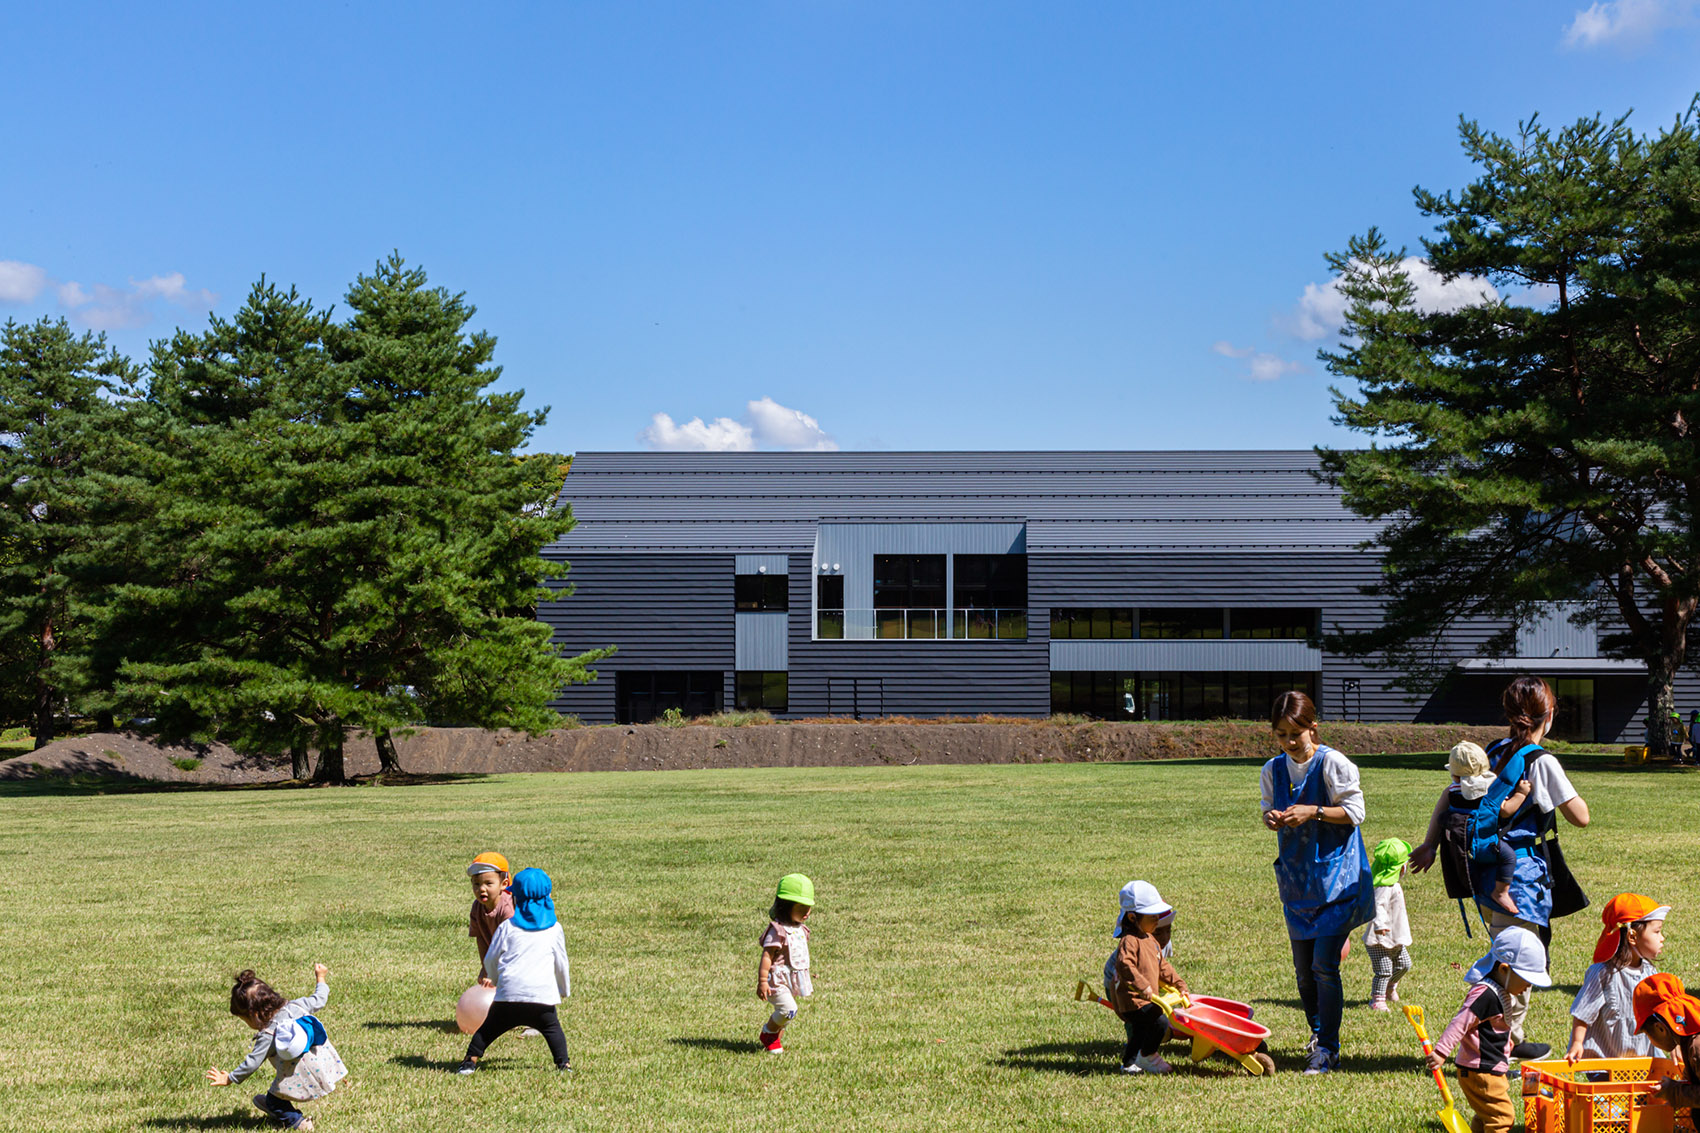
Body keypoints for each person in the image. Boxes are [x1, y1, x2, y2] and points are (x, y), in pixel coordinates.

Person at [1409, 676, 1590, 1059]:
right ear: (1550, 715)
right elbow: (1581, 817)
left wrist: (1429, 843)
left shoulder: (1491, 750)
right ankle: (1497, 1046)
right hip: (1519, 878)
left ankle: (1511, 1039)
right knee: (1515, 967)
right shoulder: (1540, 761)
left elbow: (1450, 793)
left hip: (1483, 873)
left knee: (1505, 956)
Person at [1259, 690, 1374, 1075]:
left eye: (1296, 733)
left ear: (1313, 728)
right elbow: (1265, 810)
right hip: (1298, 882)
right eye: (1281, 735)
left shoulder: (1333, 764)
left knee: (1325, 966)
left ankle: (1328, 1049)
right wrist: (1272, 819)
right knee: (1304, 974)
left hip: (1337, 880)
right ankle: (1318, 1033)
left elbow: (1356, 812)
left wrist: (1314, 812)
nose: (1290, 743)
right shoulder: (1272, 770)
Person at [1427, 926, 1552, 1133]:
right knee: (1502, 1117)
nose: (1528, 987)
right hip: (1480, 1070)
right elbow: (1460, 1022)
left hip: (1488, 1068)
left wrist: (1506, 1041)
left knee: (1487, 1115)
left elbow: (1493, 1025)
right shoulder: (1485, 994)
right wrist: (1441, 1052)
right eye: (1526, 980)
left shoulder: (1499, 991)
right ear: (1504, 969)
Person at [457, 867, 572, 1074]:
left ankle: (469, 1062)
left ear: (515, 898)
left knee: (487, 1030)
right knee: (553, 1029)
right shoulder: (555, 929)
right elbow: (561, 963)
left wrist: (493, 978)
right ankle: (564, 1065)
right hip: (542, 998)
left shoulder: (507, 927)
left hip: (508, 997)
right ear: (548, 898)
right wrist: (563, 990)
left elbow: (492, 957)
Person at [206, 964, 338, 1131]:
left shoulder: (269, 1034)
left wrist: (230, 1078)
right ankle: (273, 1103)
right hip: (322, 1064)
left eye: (245, 1020)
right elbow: (320, 998)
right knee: (273, 1097)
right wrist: (321, 978)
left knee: (274, 1101)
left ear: (254, 1015)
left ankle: (298, 1122)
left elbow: (252, 1063)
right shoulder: (297, 1006)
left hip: (299, 1076)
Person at [1564, 893, 1669, 1061]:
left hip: (1641, 1062)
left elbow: (1662, 1017)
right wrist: (1577, 1043)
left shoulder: (1651, 974)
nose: (1662, 938)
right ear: (1632, 937)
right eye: (1656, 932)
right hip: (1605, 1064)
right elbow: (1583, 1012)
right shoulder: (1603, 973)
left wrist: (1676, 1045)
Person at [1103, 880, 1189, 1074]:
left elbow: (1162, 966)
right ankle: (1148, 1056)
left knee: (1141, 1031)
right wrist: (1143, 986)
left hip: (1143, 997)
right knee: (1159, 1021)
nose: (1157, 920)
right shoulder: (1129, 941)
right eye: (1152, 916)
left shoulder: (1150, 939)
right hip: (1131, 998)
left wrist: (1179, 984)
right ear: (1133, 918)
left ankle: (1129, 1063)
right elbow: (1125, 965)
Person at [1440, 741, 1526, 917]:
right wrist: (1521, 794)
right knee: (1509, 856)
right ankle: (1501, 892)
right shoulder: (1486, 789)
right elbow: (1505, 810)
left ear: (1454, 774)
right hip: (1482, 845)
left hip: (1460, 847)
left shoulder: (1452, 790)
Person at [757, 873, 816, 1055]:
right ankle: (768, 1034)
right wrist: (763, 980)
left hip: (793, 978)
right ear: (786, 907)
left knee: (788, 1014)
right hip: (777, 979)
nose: (807, 912)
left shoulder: (800, 929)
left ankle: (775, 1037)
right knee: (789, 1009)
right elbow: (767, 956)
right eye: (801, 908)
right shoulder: (778, 931)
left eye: (809, 907)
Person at [1632, 972, 1700, 1114]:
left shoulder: (1696, 1047)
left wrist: (1675, 1092)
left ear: (1660, 1028)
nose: (1650, 1041)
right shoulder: (1690, 1042)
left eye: (1647, 1035)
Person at [1364, 838, 1413, 1011]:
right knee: (1384, 969)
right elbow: (1378, 906)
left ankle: (1389, 987)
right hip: (1379, 938)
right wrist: (1379, 925)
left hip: (1395, 936)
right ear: (1400, 868)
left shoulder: (1393, 885)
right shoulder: (1384, 887)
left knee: (1404, 964)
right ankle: (1377, 999)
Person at [466, 852, 514, 988]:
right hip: (497, 960)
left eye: (488, 883)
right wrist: (485, 967)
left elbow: (510, 944)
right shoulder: (477, 907)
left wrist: (495, 972)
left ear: (503, 884)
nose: (481, 889)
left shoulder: (507, 908)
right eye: (476, 884)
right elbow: (480, 938)